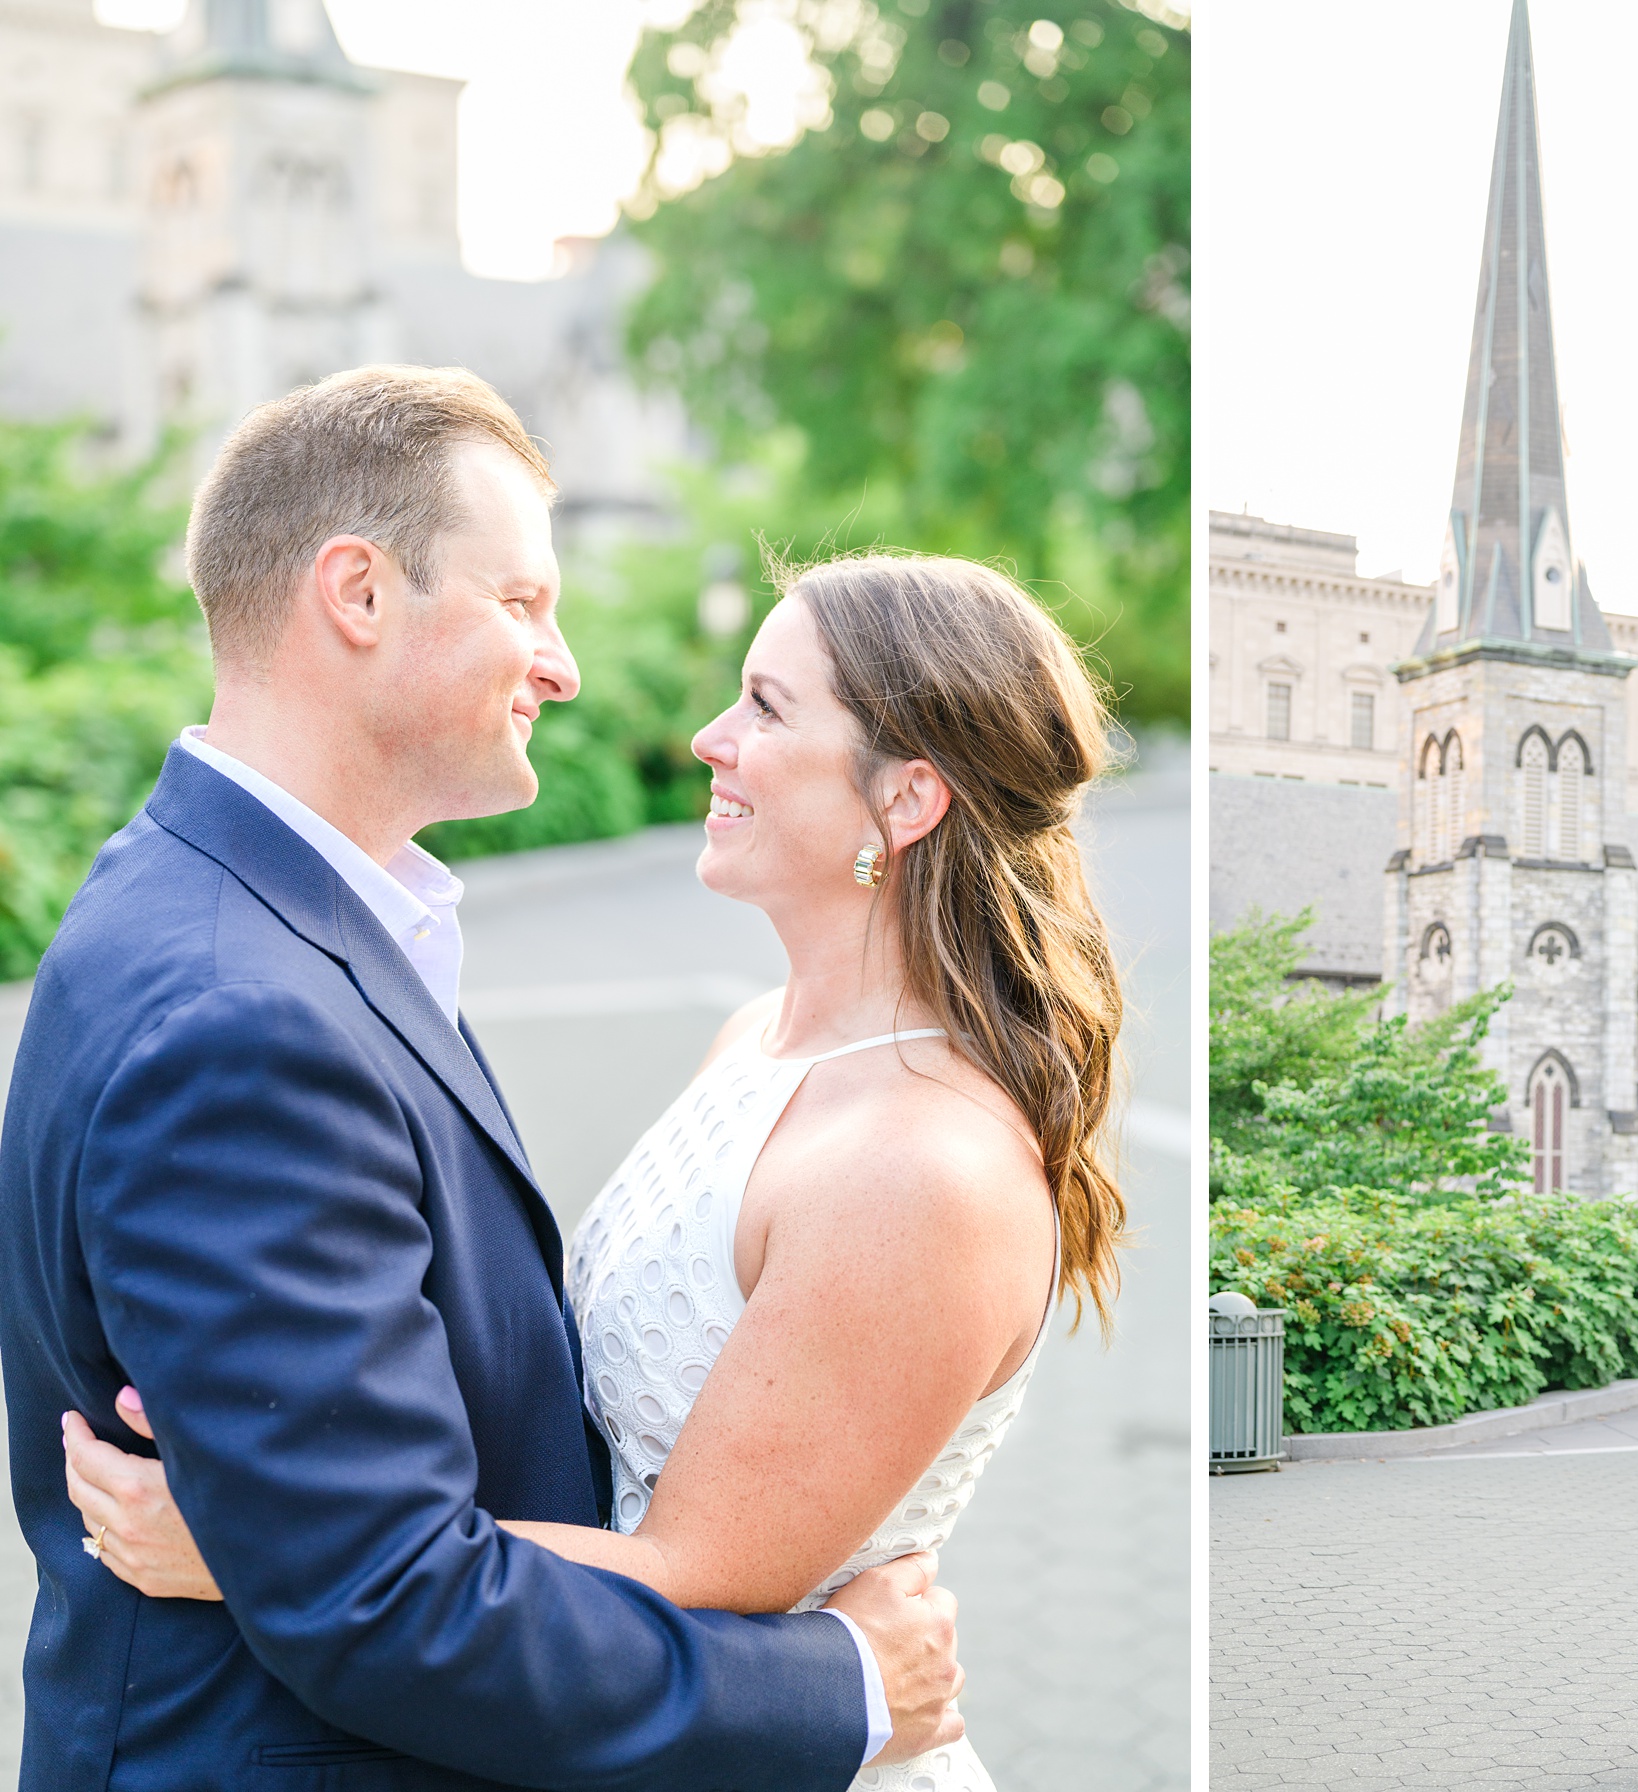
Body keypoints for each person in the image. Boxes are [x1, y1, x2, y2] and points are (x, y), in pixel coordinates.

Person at [0, 368, 964, 1791]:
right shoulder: (238, 1015)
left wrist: (266, 1546)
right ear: (360, 595)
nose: (564, 664)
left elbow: (354, 1537)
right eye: (523, 602)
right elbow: (384, 1604)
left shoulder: (233, 906)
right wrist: (843, 1688)